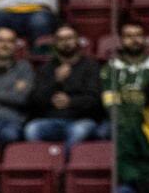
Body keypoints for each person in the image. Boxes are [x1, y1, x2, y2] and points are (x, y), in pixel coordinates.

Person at [23, 23, 102, 155]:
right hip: (51, 119)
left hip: (81, 120)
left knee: (79, 131)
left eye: (70, 38)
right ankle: (45, 164)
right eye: (61, 39)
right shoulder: (46, 68)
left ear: (77, 41)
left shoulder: (91, 66)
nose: (66, 43)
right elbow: (35, 100)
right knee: (31, 129)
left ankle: (62, 168)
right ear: (55, 43)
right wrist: (55, 81)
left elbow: (95, 99)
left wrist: (70, 101)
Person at [98, 21, 149, 139]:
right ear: (121, 40)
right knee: (103, 132)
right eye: (129, 36)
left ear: (144, 38)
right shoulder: (111, 68)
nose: (134, 40)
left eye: (138, 35)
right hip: (119, 122)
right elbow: (110, 101)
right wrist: (127, 125)